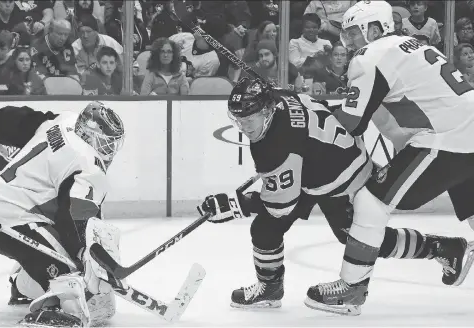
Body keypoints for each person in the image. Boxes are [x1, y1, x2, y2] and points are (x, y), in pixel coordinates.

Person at [197, 77, 472, 309]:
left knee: (355, 238)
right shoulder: (281, 96)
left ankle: (442, 247)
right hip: (323, 162)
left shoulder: (274, 145)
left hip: (342, 178)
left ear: (268, 110)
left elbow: (280, 205)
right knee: (267, 228)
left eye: (250, 120)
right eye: (239, 120)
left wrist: (235, 204)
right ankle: (269, 289)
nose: (244, 128)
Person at [306, 0, 474, 316]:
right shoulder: (408, 46)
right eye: (346, 34)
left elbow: (352, 122)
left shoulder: (372, 57)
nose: (349, 41)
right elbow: (389, 119)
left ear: (375, 28)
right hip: (467, 131)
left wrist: (308, 113)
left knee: (370, 202)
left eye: (354, 32)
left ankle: (351, 289)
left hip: (449, 137)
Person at [0, 102, 126, 326]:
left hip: (2, 211)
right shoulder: (88, 165)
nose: (108, 151)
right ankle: (65, 312)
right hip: (13, 220)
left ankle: (23, 282)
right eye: (104, 143)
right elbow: (72, 218)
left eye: (112, 145)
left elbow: (23, 120)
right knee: (73, 275)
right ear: (88, 133)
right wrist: (86, 253)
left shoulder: (65, 121)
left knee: (73, 260)